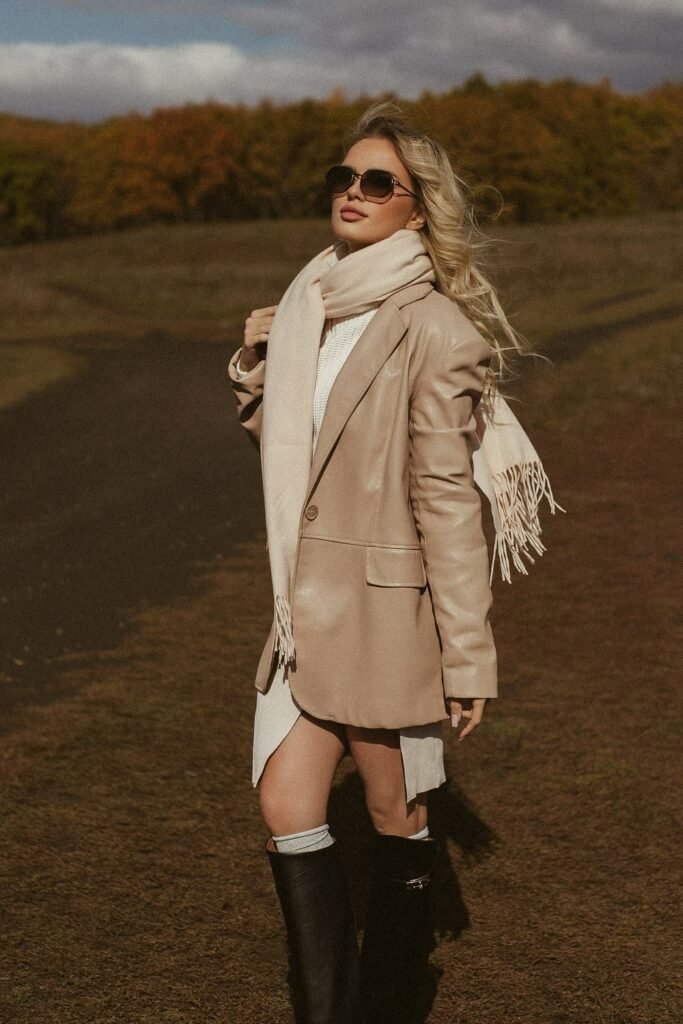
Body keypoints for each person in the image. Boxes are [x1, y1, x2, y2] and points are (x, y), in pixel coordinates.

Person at [227, 102, 561, 1024]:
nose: (354, 193)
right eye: (344, 177)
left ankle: (392, 991)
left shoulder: (436, 333)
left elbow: (446, 501)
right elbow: (301, 448)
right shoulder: (311, 301)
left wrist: (467, 653)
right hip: (303, 599)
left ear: (416, 210)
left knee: (393, 815)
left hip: (382, 611)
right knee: (289, 804)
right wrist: (261, 365)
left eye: (379, 183)